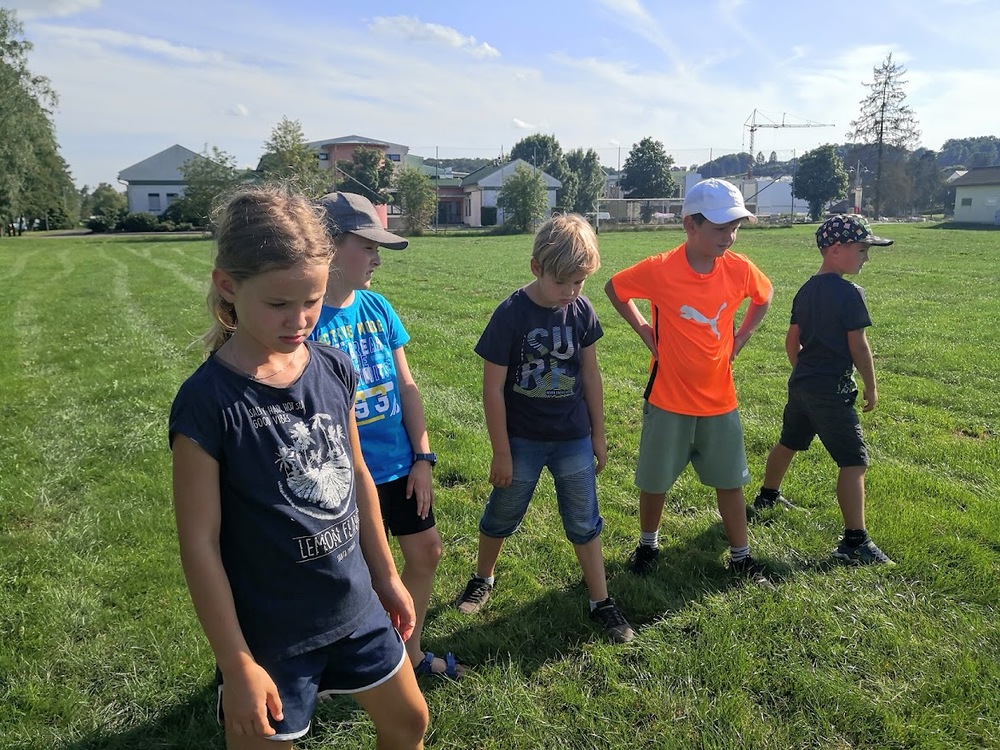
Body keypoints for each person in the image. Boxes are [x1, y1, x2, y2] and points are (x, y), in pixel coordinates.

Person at [169, 185, 428, 749]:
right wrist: (237, 663)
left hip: (355, 604)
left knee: (410, 721)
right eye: (279, 304)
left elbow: (358, 475)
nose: (300, 319)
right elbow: (200, 544)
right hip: (272, 634)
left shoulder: (332, 367)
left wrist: (386, 576)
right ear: (228, 287)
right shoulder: (207, 404)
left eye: (312, 300)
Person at [453, 213, 635, 644]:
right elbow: (492, 388)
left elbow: (590, 374)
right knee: (503, 512)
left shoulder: (581, 310)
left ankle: (600, 600)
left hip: (572, 437)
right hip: (523, 441)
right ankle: (482, 578)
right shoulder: (511, 313)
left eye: (580, 282)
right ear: (537, 267)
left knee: (584, 519)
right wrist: (502, 451)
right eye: (562, 282)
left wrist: (598, 433)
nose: (571, 292)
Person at [310, 191, 464, 679]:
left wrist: (423, 457)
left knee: (427, 552)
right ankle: (357, 665)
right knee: (358, 576)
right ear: (329, 245)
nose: (377, 258)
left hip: (400, 464)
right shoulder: (305, 321)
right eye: (368, 246)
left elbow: (407, 385)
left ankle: (409, 653)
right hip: (343, 479)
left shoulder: (377, 307)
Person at [604, 178, 774, 585]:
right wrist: (643, 329)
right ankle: (648, 545)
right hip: (668, 399)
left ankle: (741, 555)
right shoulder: (661, 269)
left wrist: (742, 337)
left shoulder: (739, 268)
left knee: (730, 482)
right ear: (690, 225)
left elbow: (764, 296)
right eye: (720, 228)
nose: (729, 236)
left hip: (720, 401)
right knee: (654, 481)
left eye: (735, 227)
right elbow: (615, 288)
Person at [752, 214, 895, 565]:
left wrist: (804, 373)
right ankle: (855, 543)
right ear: (835, 249)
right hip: (832, 390)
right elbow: (858, 345)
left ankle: (767, 497)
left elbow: (792, 341)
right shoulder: (850, 294)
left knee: (789, 442)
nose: (866, 258)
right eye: (862, 250)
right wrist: (871, 386)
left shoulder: (805, 290)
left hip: (802, 385)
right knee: (854, 461)